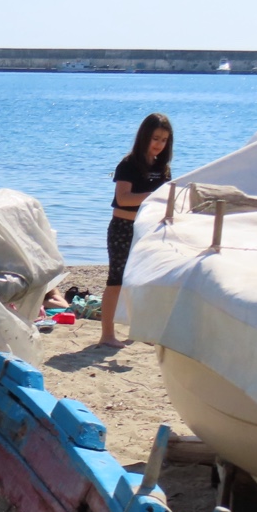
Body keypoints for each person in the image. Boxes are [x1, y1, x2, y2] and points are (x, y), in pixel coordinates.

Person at [99, 113, 173, 348]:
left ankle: (142, 331)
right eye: (155, 138)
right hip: (123, 228)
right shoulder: (128, 164)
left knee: (145, 280)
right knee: (116, 280)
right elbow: (123, 198)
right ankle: (107, 335)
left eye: (163, 140)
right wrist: (154, 196)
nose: (158, 144)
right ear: (144, 137)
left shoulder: (163, 168)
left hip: (148, 229)